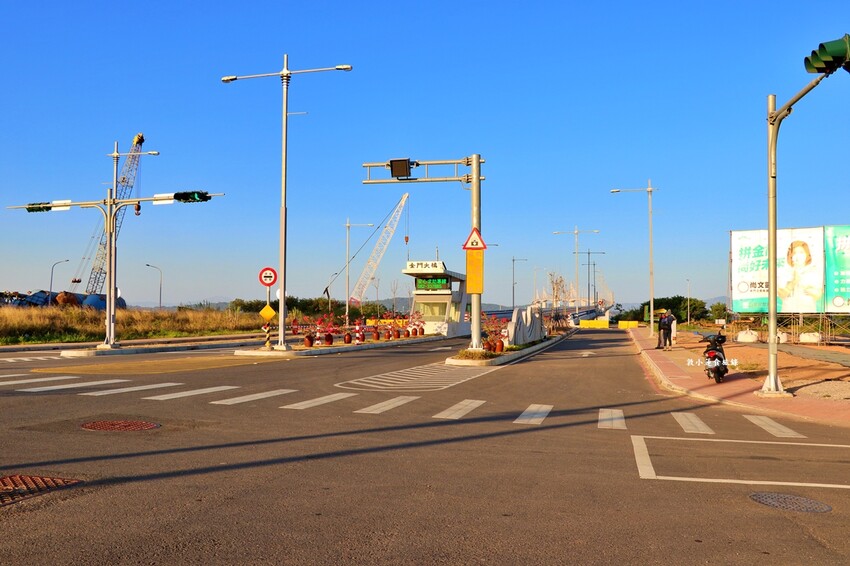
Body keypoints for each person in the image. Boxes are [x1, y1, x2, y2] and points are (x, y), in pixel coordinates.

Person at [778, 240, 822, 313]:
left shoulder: (813, 272)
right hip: (788, 313)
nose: (798, 256)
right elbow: (781, 294)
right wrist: (794, 281)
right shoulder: (784, 271)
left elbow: (818, 295)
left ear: (807, 255)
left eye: (801, 252)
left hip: (808, 312)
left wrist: (805, 286)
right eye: (794, 253)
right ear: (790, 256)